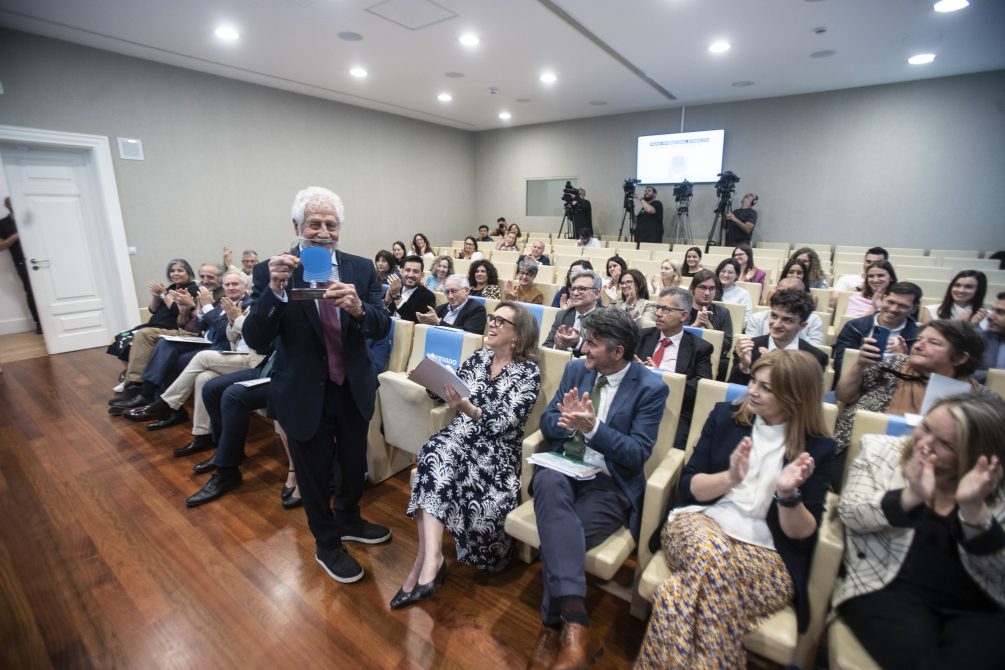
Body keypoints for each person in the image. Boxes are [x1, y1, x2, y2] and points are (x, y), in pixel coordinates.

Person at [635, 350, 836, 669]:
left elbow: (802, 536)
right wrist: (730, 478)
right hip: (701, 525)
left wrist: (787, 494)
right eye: (754, 381)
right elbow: (689, 486)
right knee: (715, 561)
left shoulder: (819, 448)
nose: (752, 390)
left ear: (796, 396)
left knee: (677, 594)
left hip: (768, 554)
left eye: (767, 387)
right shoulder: (725, 417)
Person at [242, 186, 392, 584]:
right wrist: (274, 291)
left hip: (352, 386)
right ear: (297, 226)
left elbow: (381, 325)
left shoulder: (360, 269)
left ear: (339, 228)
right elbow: (256, 340)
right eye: (314, 223)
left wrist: (359, 308)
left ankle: (348, 519)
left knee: (353, 463)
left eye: (331, 224)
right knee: (313, 471)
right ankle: (327, 543)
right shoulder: (272, 271)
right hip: (304, 390)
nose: (323, 231)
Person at [528, 309, 669, 668]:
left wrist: (593, 429)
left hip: (609, 480)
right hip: (565, 466)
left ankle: (552, 627)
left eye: (592, 343)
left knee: (560, 536)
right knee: (546, 478)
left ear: (617, 351)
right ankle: (577, 628)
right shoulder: (578, 370)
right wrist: (564, 422)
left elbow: (637, 454)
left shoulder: (651, 387)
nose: (583, 349)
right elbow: (547, 421)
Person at [833, 394, 1005, 670]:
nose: (923, 444)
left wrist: (974, 511)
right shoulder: (880, 451)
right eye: (925, 427)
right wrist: (910, 496)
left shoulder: (994, 485)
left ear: (975, 456)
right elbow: (851, 513)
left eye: (946, 444)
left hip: (980, 604)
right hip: (887, 585)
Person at [391, 303, 542, 609]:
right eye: (492, 318)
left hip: (495, 451)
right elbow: (451, 391)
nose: (492, 324)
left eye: (501, 321)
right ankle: (430, 561)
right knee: (437, 451)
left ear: (518, 334)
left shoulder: (528, 372)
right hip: (459, 438)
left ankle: (425, 562)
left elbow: (504, 424)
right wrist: (428, 381)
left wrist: (469, 409)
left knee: (436, 455)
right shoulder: (479, 357)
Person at [834, 320, 990, 469]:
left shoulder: (978, 399)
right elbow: (844, 396)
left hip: (932, 467)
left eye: (933, 342)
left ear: (960, 358)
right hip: (856, 449)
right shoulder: (893, 364)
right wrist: (860, 365)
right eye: (920, 339)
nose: (918, 346)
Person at [121, 271, 254, 429]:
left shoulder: (246, 303)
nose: (231, 288)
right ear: (223, 286)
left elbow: (223, 330)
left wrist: (207, 307)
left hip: (224, 348)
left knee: (174, 361)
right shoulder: (222, 303)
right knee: (165, 346)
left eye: (235, 284)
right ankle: (153, 397)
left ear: (245, 287)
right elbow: (201, 326)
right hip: (207, 341)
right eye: (227, 284)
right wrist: (194, 309)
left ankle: (164, 405)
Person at [108, 258, 199, 399]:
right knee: (120, 338)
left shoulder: (192, 289)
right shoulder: (170, 288)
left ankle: (135, 381)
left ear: (188, 272)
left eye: (180, 270)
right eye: (172, 271)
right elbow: (152, 309)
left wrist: (164, 294)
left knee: (137, 338)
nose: (175, 273)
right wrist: (156, 296)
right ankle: (129, 373)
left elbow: (177, 311)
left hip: (168, 326)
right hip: (153, 323)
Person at [636, 286, 714, 449]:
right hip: (636, 403)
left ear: (684, 315)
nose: (658, 313)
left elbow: (701, 388)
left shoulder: (700, 348)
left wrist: (663, 376)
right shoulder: (641, 337)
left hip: (674, 410)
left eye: (666, 309)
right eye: (658, 308)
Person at [728, 289, 828, 385]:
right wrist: (744, 367)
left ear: (802, 325)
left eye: (787, 320)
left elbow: (807, 398)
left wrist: (778, 370)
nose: (776, 325)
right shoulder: (749, 347)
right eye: (774, 316)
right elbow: (732, 392)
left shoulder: (815, 358)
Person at [833, 281, 923, 381]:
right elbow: (841, 366)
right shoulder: (855, 327)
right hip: (856, 384)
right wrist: (860, 356)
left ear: (914, 309)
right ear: (883, 299)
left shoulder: (919, 338)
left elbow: (918, 378)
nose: (893, 309)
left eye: (903, 306)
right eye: (890, 302)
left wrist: (903, 359)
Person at [0, 197, 41, 334]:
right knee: (31, 292)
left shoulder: (30, 218)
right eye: (9, 201)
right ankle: (39, 323)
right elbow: (1, 246)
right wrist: (17, 235)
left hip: (41, 260)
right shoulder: (3, 224)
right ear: (6, 205)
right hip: (22, 263)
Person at [747, 278, 826, 345]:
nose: (784, 297)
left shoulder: (814, 320)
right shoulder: (757, 318)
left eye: (792, 293)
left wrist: (796, 328)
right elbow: (752, 347)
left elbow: (815, 350)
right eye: (780, 292)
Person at [544, 269, 603, 356]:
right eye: (573, 289)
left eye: (582, 289)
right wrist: (558, 347)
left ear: (597, 294)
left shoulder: (605, 319)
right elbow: (547, 346)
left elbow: (603, 353)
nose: (575, 293)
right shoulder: (562, 315)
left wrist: (577, 343)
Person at [688, 270, 734, 379]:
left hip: (712, 358)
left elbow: (727, 346)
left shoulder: (723, 313)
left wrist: (709, 327)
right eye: (703, 288)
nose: (707, 293)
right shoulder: (683, 310)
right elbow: (676, 338)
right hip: (685, 355)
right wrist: (696, 325)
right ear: (692, 289)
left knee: (725, 366)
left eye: (712, 288)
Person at [416, 274, 487, 334]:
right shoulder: (441, 308)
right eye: (447, 292)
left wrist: (438, 322)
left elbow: (468, 336)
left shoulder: (477, 310)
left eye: (454, 291)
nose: (450, 296)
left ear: (467, 291)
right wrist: (426, 322)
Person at [922, 269, 989, 328]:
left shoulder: (989, 316)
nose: (961, 290)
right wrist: (958, 324)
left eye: (968, 287)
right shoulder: (931, 310)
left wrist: (975, 326)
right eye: (957, 285)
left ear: (979, 290)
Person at [385, 255, 436, 322]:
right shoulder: (395, 288)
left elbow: (415, 321)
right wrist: (387, 301)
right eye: (408, 270)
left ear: (422, 275)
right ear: (402, 272)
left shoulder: (428, 296)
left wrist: (397, 297)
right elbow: (383, 315)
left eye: (415, 271)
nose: (411, 275)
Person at [976, 292, 1005, 382]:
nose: (990, 317)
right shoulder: (978, 338)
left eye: (1000, 312)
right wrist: (997, 377)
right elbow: (962, 372)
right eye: (992, 310)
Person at [716, 257, 753, 324]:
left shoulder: (744, 294)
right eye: (723, 271)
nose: (725, 275)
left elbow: (747, 319)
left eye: (730, 272)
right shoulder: (710, 289)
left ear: (737, 275)